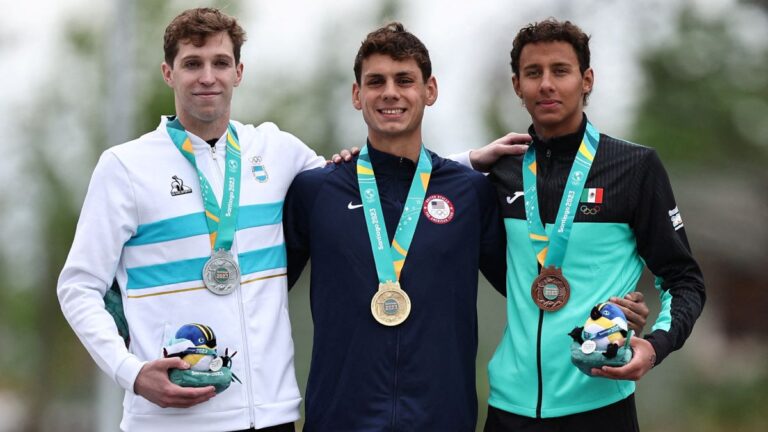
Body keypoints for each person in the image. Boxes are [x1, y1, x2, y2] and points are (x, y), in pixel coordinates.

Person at [57, 8, 326, 431]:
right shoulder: (125, 167)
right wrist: (130, 372)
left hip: (271, 415)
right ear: (168, 72)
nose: (207, 77)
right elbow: (78, 287)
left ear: (239, 71)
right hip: (167, 420)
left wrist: (462, 167)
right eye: (192, 64)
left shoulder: (278, 151)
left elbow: (362, 189)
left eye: (220, 63)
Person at [462, 18, 706, 431]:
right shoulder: (500, 173)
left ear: (586, 79)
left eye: (560, 71)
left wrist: (655, 346)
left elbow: (684, 280)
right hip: (509, 409)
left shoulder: (634, 168)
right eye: (533, 73)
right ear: (517, 85)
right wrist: (466, 160)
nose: (546, 85)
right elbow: (417, 189)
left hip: (599, 403)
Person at [282, 22, 519, 430]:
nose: (390, 92)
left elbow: (525, 286)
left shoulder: (471, 193)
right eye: (376, 81)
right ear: (357, 95)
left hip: (442, 419)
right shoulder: (315, 191)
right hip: (339, 420)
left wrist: (609, 304)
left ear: (430, 90)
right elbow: (258, 292)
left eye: (404, 80)